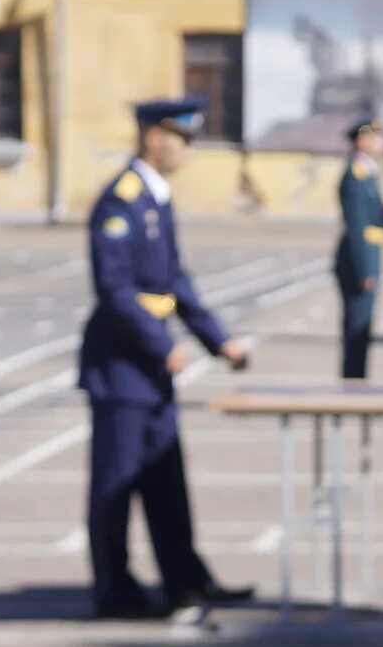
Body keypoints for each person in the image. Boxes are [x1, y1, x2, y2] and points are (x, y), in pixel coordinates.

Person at [78, 98, 254, 620]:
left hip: (152, 367)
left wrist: (218, 341)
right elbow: (115, 290)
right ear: (154, 137)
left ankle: (186, 581)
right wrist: (163, 344)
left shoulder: (155, 198)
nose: (189, 151)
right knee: (115, 484)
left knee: (165, 482)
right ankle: (115, 591)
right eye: (183, 139)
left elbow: (174, 282)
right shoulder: (121, 200)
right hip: (123, 366)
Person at [334, 116, 383, 380]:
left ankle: (356, 379)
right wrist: (365, 270)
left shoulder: (367, 171)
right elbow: (357, 227)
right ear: (362, 140)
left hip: (369, 255)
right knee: (357, 325)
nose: (382, 143)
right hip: (360, 259)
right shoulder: (356, 174)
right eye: (376, 137)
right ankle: (353, 382)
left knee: (363, 326)